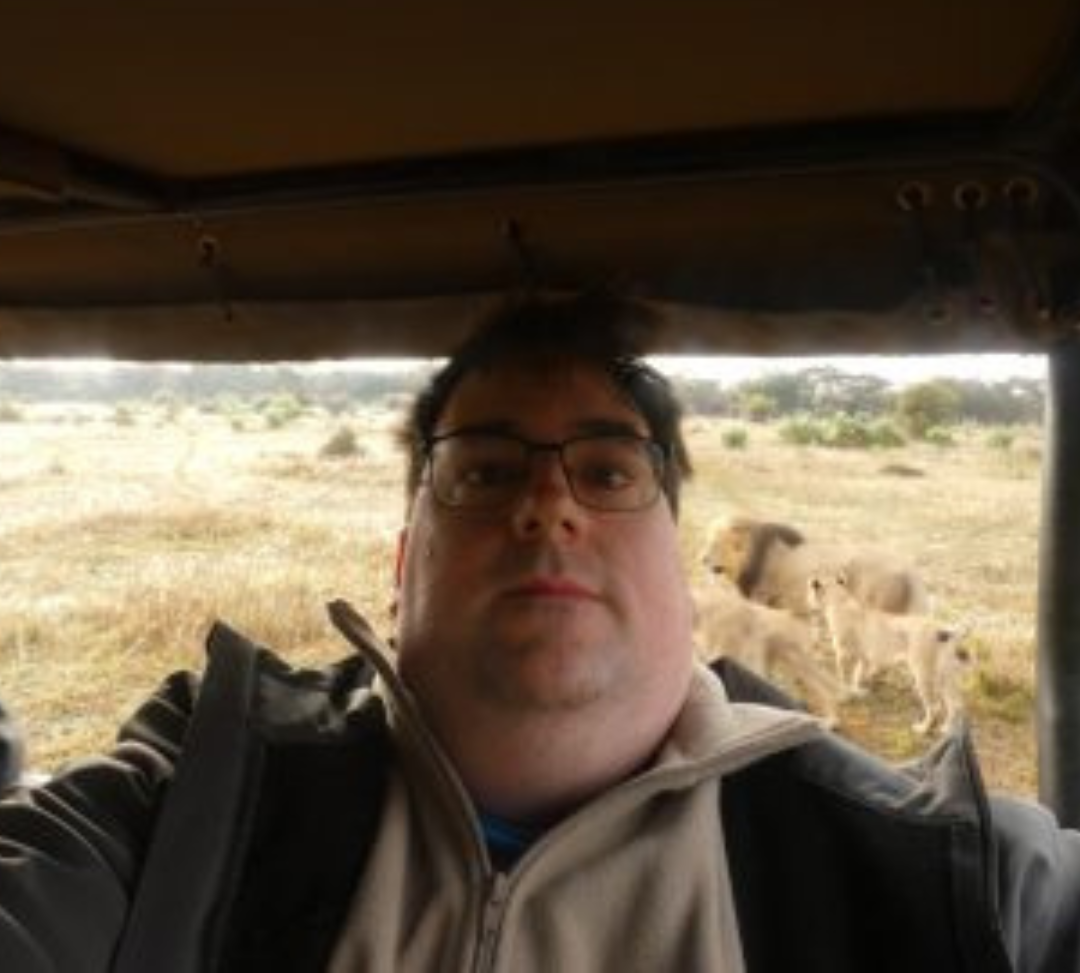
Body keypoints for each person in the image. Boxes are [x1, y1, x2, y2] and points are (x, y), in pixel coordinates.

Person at [0, 291, 1078, 973]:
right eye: (485, 471)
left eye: (608, 471)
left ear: (677, 554)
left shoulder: (937, 871)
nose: (548, 505)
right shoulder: (196, 797)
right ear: (401, 562)